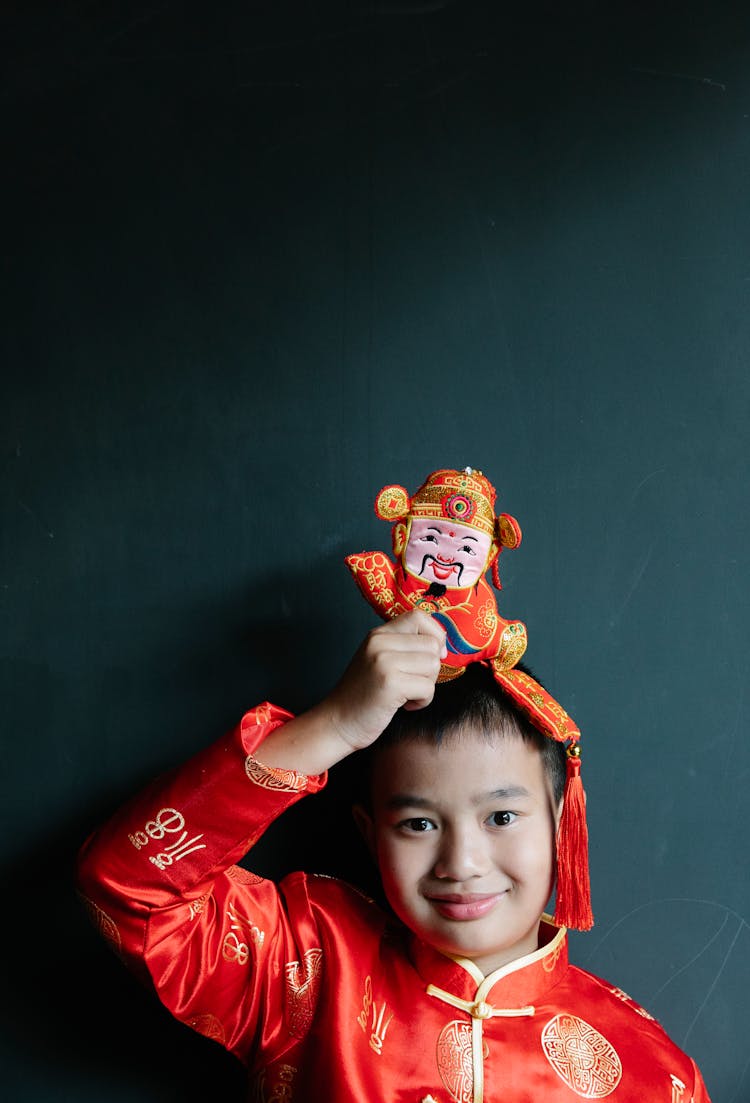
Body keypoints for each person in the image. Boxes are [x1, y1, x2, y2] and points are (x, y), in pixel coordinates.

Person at [76, 610, 711, 1102]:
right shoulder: (306, 961)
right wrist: (336, 727)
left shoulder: (654, 1070)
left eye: (502, 816)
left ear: (564, 820)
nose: (461, 862)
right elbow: (129, 887)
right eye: (417, 823)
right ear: (370, 832)